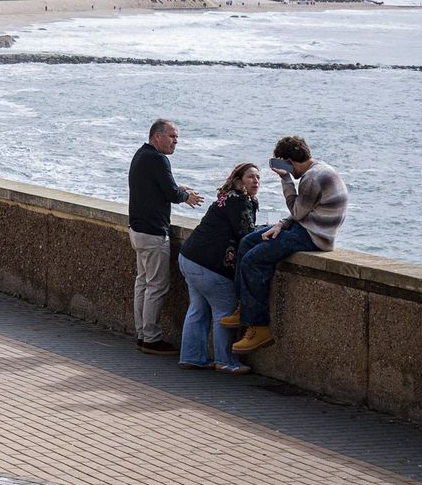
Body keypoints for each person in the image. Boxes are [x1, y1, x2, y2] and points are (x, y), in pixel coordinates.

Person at [226, 137, 348, 355]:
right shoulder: (319, 169)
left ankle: (259, 328)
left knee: (253, 260)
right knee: (247, 242)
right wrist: (282, 224)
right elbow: (301, 212)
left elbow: (298, 210)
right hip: (305, 226)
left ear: (289, 161)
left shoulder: (311, 178)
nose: (283, 169)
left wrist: (285, 179)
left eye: (283, 165)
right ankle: (245, 306)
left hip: (314, 235)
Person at [127, 119, 205, 355]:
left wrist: (179, 189)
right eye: (172, 136)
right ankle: (151, 338)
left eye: (177, 137)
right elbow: (171, 193)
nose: (176, 142)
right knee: (157, 286)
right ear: (157, 136)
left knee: (143, 283)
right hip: (152, 233)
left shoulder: (141, 155)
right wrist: (186, 196)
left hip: (137, 229)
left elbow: (159, 187)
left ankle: (142, 333)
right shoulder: (158, 159)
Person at [177, 162, 259, 373]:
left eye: (258, 178)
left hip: (189, 257)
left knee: (198, 309)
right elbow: (247, 235)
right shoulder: (240, 202)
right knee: (225, 310)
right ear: (239, 180)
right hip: (210, 265)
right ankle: (225, 361)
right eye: (251, 177)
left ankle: (192, 357)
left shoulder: (226, 198)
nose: (256, 181)